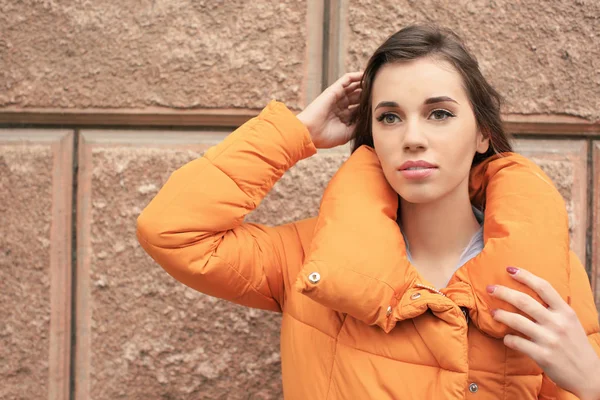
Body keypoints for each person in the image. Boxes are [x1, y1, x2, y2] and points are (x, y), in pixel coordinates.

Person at [136, 24, 600, 399]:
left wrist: (592, 383)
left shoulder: (540, 272)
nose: (412, 136)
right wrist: (296, 133)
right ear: (372, 135)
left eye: (439, 113)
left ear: (482, 135)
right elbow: (171, 231)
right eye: (389, 117)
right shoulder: (308, 260)